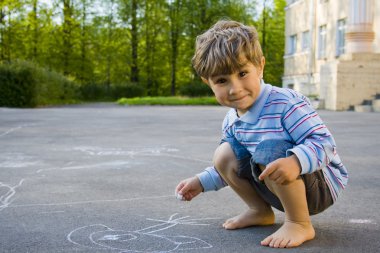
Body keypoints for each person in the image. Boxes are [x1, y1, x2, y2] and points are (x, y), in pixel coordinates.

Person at [175, 20, 348, 248]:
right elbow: (233, 164)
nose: (235, 88)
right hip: (275, 184)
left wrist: (295, 161)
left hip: (320, 186)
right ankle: (259, 211)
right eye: (221, 80)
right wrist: (201, 181)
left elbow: (325, 144)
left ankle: (299, 223)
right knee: (223, 154)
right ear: (208, 83)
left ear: (260, 67)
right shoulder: (231, 120)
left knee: (269, 149)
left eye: (243, 73)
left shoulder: (285, 104)